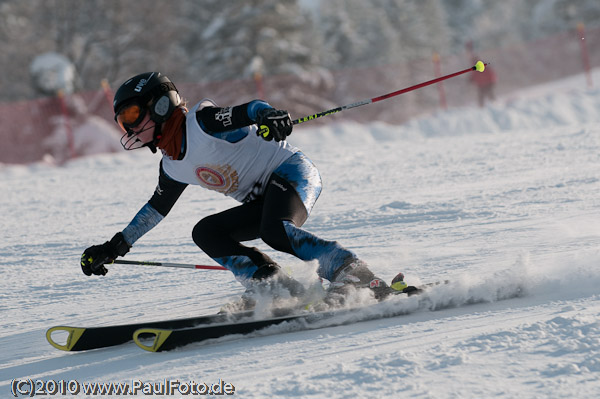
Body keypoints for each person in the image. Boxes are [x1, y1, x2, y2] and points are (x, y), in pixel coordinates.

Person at [80, 72, 401, 309]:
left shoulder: (202, 123)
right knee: (206, 231)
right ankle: (270, 284)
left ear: (160, 105)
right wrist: (114, 246)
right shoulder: (172, 164)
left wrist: (267, 115)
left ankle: (351, 271)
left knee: (274, 230)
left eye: (132, 115)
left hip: (292, 174)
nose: (130, 127)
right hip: (262, 199)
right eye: (124, 122)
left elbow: (248, 110)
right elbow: (155, 210)